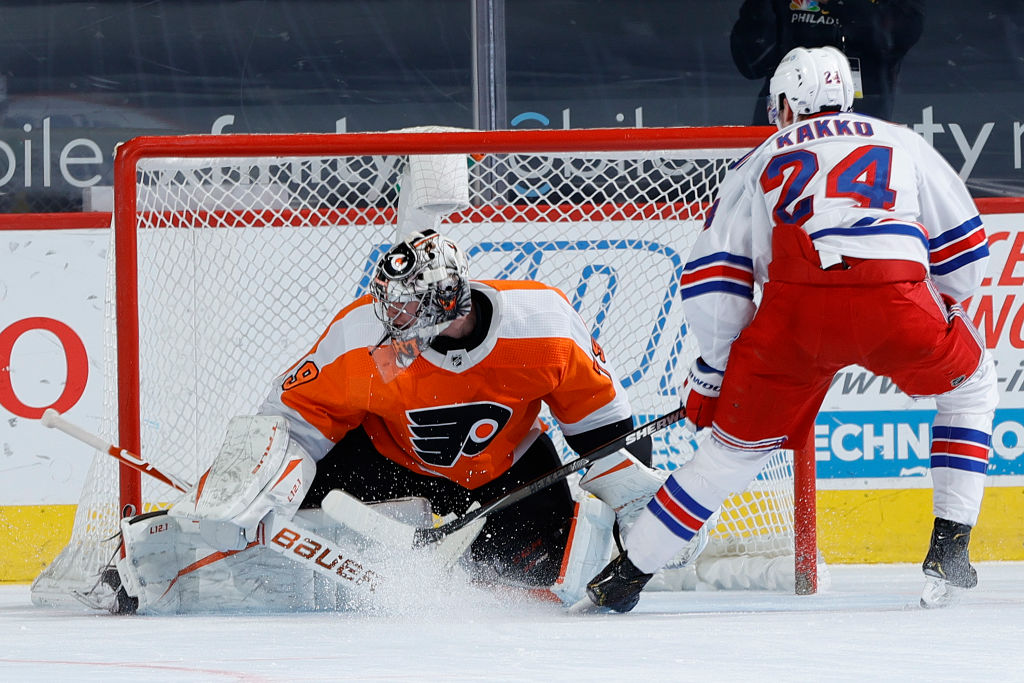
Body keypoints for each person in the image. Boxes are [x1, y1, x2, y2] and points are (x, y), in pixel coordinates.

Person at [582, 46, 997, 613]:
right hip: (897, 302)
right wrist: (937, 311)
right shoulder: (900, 140)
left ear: (784, 102)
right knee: (972, 386)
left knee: (727, 458)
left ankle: (625, 575)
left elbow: (715, 280)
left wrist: (712, 373)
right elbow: (966, 253)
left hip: (795, 314)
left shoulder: (758, 159)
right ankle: (950, 543)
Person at [106, 228, 659, 613]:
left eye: (406, 308)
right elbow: (296, 423)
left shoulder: (544, 326)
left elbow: (604, 431)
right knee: (263, 515)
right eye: (389, 304)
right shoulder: (361, 340)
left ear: (448, 300)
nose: (390, 320)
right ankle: (146, 561)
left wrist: (638, 539)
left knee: (536, 582)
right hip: (387, 460)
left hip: (507, 473)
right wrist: (266, 486)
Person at [730, 0, 924, 124]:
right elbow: (751, 63)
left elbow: (895, 40)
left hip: (862, 124)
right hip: (785, 126)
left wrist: (841, 5)